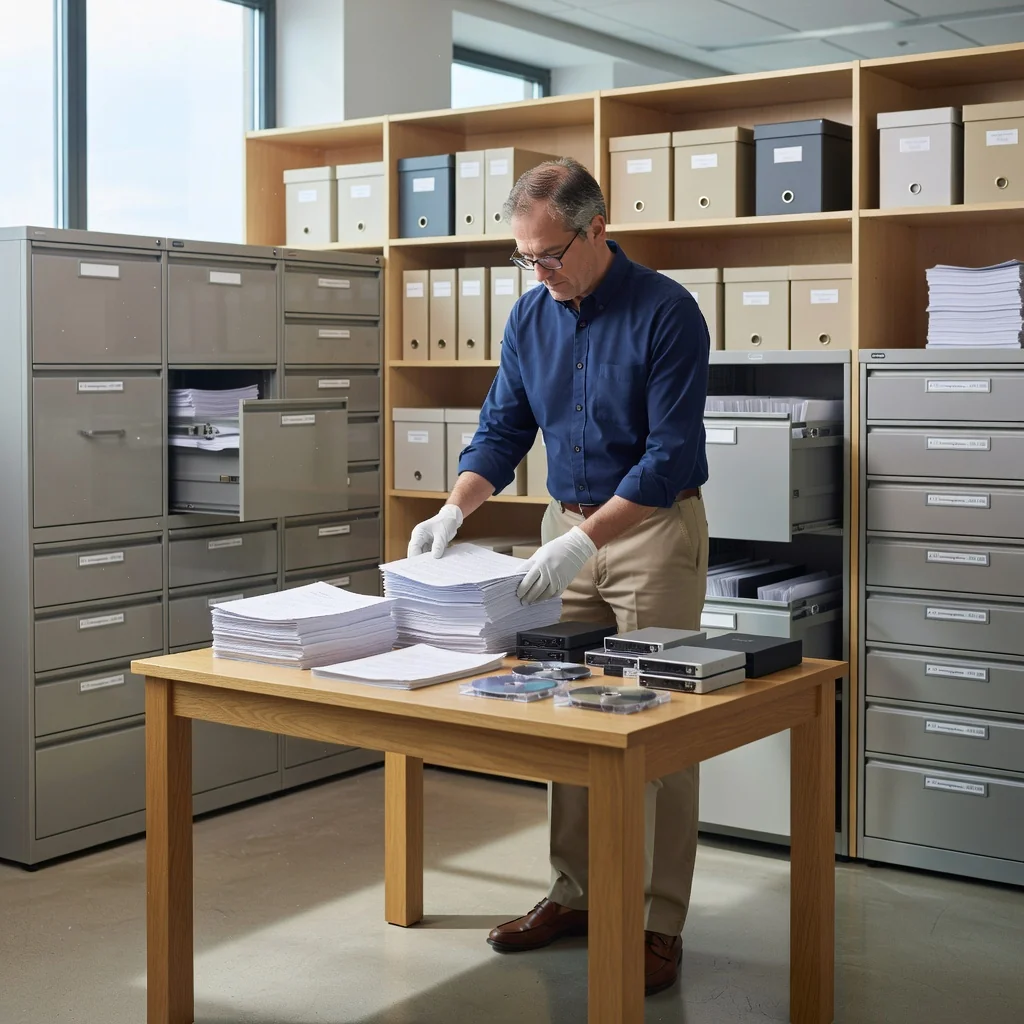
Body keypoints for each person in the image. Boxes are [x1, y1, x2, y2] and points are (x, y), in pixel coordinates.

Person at [406, 156, 710, 996]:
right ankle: (574, 893)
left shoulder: (667, 313)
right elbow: (501, 430)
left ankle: (658, 920)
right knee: (563, 718)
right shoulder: (529, 318)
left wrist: (588, 542)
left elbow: (668, 455)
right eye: (524, 258)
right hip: (560, 531)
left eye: (549, 255)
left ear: (597, 229)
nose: (538, 272)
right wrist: (455, 510)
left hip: (649, 530)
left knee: (661, 728)